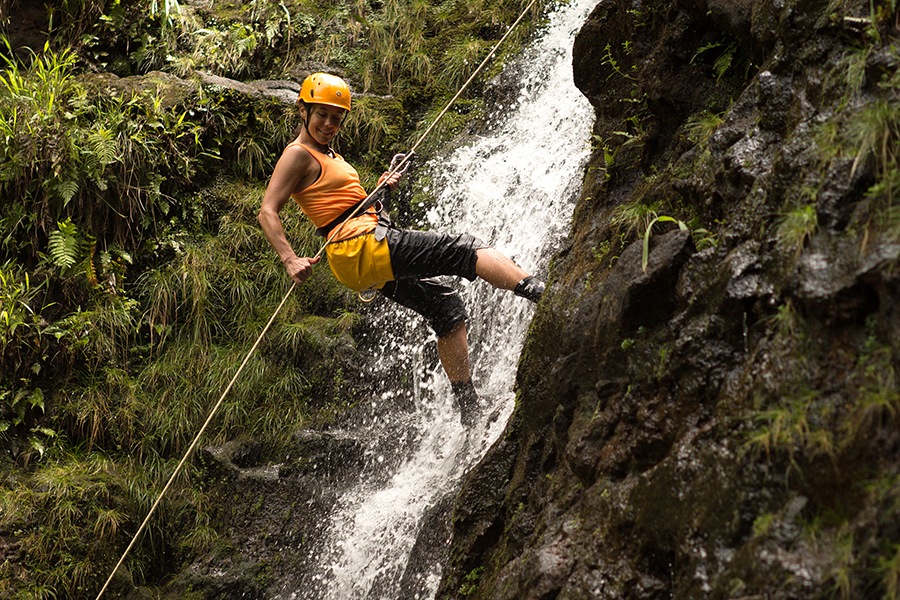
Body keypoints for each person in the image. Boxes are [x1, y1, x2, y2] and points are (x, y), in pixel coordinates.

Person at [258, 72, 545, 427]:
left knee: (446, 307)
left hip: (356, 256)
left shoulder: (327, 153)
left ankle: (468, 407)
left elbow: (338, 206)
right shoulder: (297, 154)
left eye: (337, 117)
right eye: (322, 114)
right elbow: (267, 209)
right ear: (303, 109)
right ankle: (540, 292)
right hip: (361, 246)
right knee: (464, 249)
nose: (329, 123)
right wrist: (289, 258)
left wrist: (378, 189)